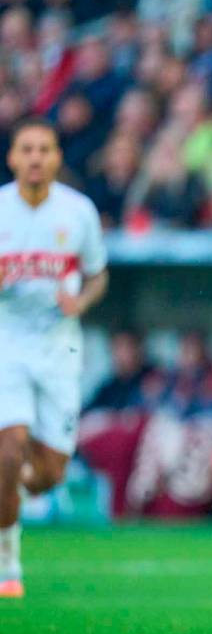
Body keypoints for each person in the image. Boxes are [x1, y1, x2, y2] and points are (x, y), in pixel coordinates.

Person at [0, 117, 109, 598]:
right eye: (27, 149)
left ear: (57, 157)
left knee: (47, 475)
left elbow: (97, 275)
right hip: (8, 342)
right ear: (13, 159)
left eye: (44, 149)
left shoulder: (78, 212)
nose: (36, 157)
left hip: (60, 347)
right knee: (8, 448)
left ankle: (15, 489)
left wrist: (80, 303)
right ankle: (9, 565)